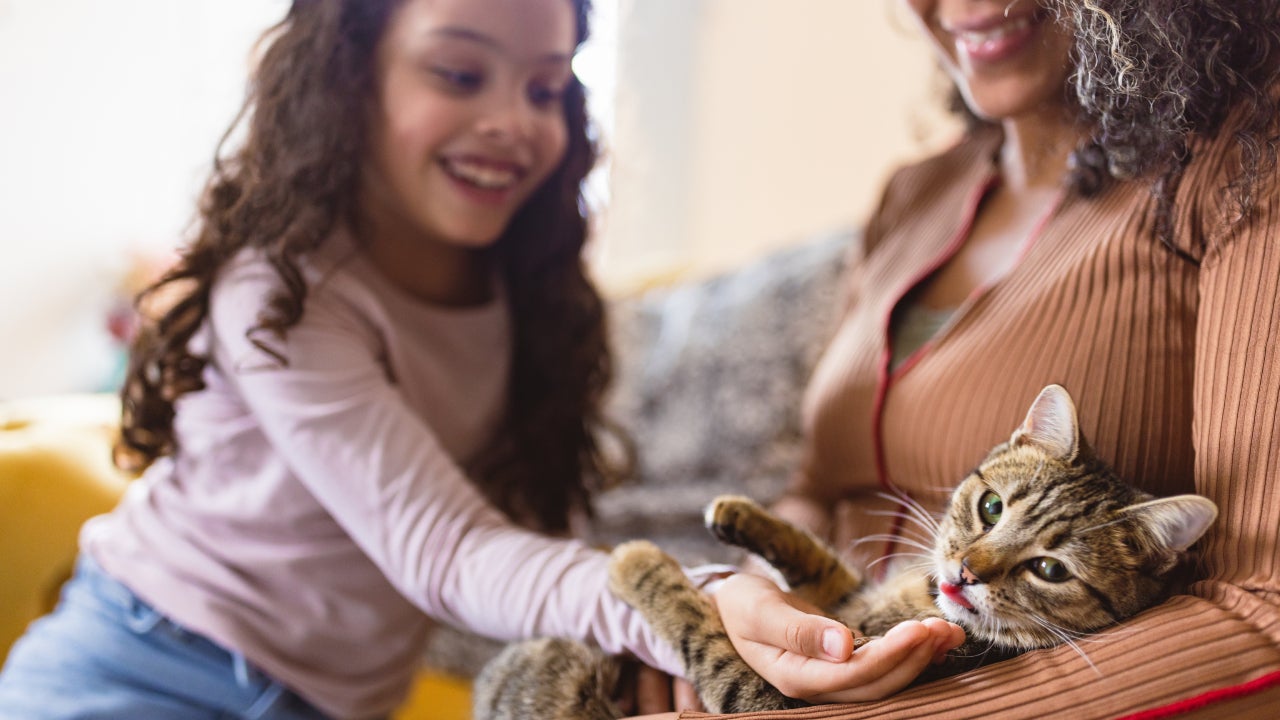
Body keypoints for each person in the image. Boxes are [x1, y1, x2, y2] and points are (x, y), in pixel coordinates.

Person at [7, 1, 963, 718]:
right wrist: (683, 601)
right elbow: (446, 548)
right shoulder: (282, 290)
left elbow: (522, 535)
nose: (515, 117)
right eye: (460, 75)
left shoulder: (524, 287)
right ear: (350, 81)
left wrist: (664, 640)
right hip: (141, 669)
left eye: (545, 85)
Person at [692, 0, 1280, 718]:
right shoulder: (914, 192)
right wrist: (745, 606)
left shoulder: (1245, 159)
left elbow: (1264, 610)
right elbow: (816, 488)